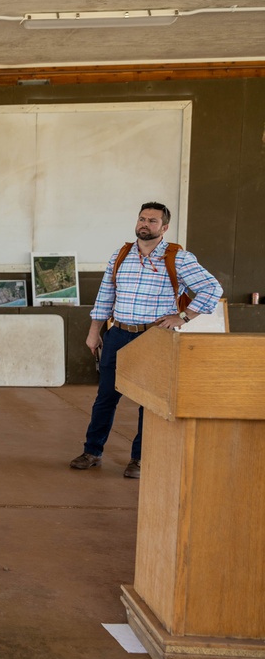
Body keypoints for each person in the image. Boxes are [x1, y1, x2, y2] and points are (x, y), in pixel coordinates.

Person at [70, 201, 222, 478]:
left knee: (148, 402)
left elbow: (212, 288)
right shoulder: (121, 254)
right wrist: (94, 332)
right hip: (117, 334)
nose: (145, 224)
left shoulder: (179, 257)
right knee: (105, 396)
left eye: (152, 221)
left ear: (164, 228)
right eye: (142, 219)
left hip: (155, 337)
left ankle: (139, 459)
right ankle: (92, 451)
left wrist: (184, 317)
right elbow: (105, 296)